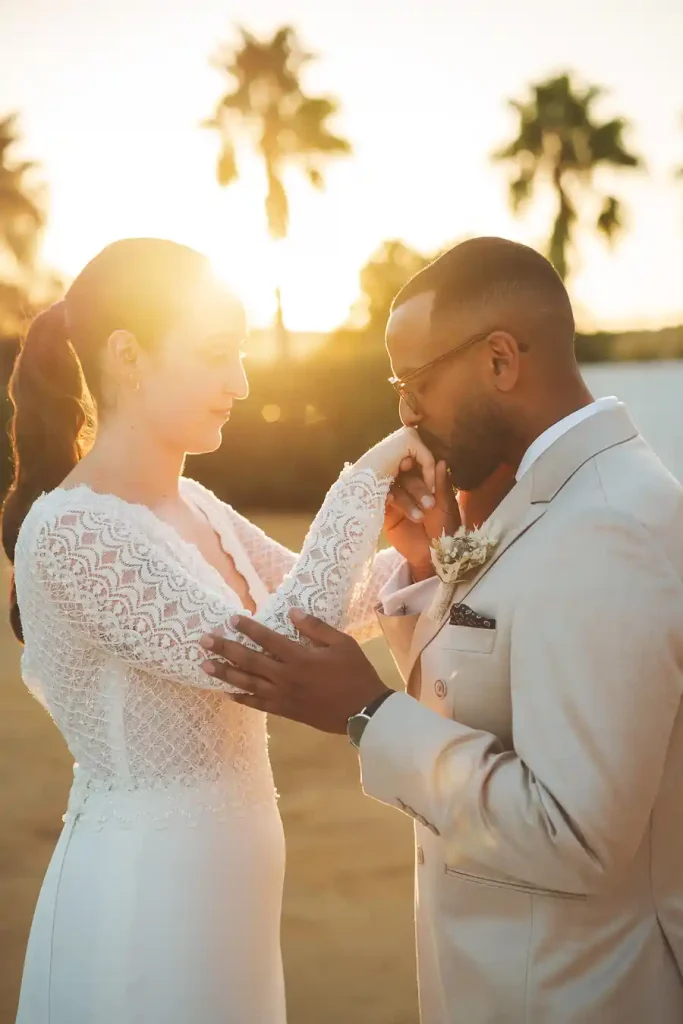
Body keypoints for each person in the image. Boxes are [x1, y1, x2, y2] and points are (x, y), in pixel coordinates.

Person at [205, 236, 683, 1023]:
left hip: (572, 994)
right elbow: (505, 685)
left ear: (499, 360)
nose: (405, 413)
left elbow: (572, 836)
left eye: (415, 381)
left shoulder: (603, 525)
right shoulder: (559, 499)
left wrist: (366, 714)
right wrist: (430, 571)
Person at [1, 237, 436, 1024]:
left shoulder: (197, 507)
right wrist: (361, 484)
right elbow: (263, 650)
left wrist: (421, 550)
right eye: (214, 355)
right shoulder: (68, 531)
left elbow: (327, 603)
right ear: (127, 354)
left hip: (228, 906)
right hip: (141, 901)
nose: (239, 384)